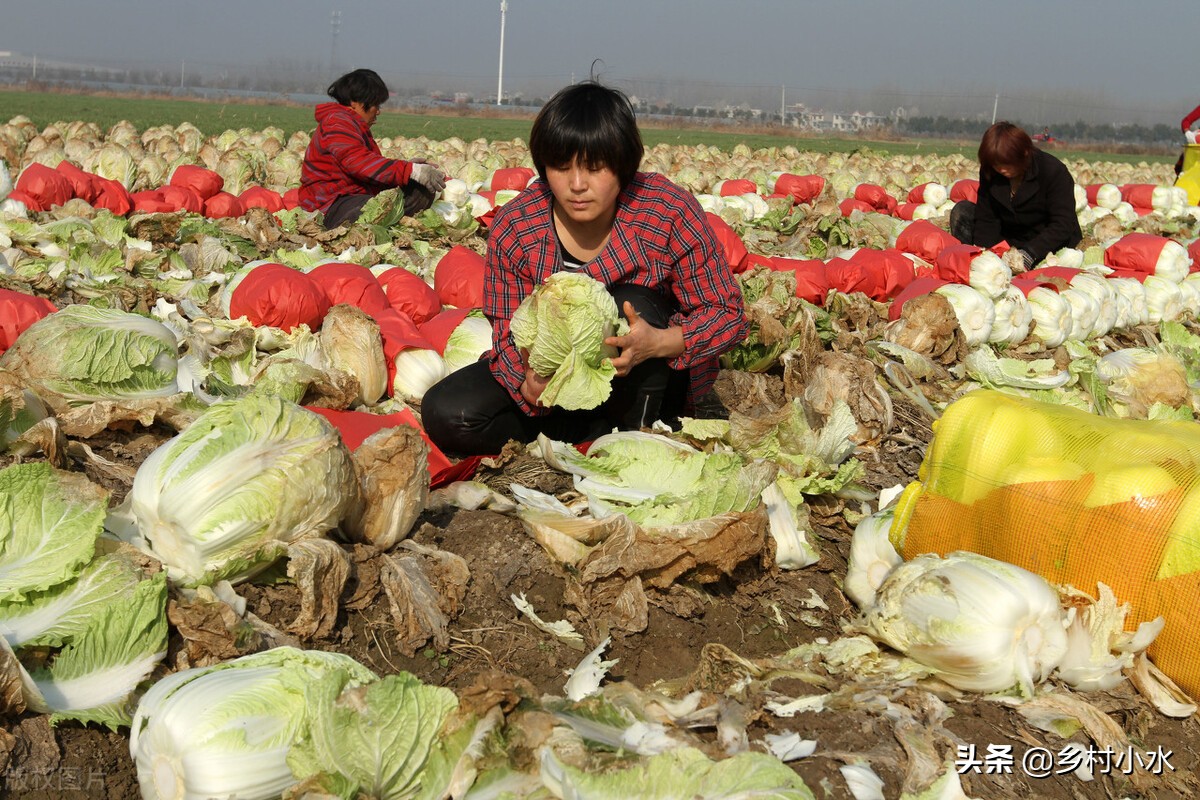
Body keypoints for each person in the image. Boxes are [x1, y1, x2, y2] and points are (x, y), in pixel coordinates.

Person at [422, 80, 747, 457]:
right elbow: (507, 327)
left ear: (623, 165)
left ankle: (639, 433)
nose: (577, 185)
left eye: (595, 168)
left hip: (646, 382)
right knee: (447, 413)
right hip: (555, 383)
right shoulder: (516, 225)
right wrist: (527, 382)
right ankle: (590, 433)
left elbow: (728, 315)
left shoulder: (666, 211)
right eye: (561, 167)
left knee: (632, 302)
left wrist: (656, 343)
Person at [299, 68, 446, 229]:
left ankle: (388, 222)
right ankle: (385, 222)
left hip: (353, 196)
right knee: (372, 209)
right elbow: (360, 164)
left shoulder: (351, 123)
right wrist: (411, 171)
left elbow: (369, 169)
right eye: (375, 104)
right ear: (355, 103)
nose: (378, 111)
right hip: (330, 205)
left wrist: (408, 171)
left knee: (419, 190)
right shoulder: (337, 123)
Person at [949, 121, 1081, 270]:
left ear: (1024, 153)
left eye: (1006, 163)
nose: (1001, 169)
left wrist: (1030, 253)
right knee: (963, 212)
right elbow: (986, 217)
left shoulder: (1053, 171)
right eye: (996, 164)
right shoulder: (991, 171)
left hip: (1046, 242)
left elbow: (1063, 223)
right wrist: (985, 255)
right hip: (1012, 238)